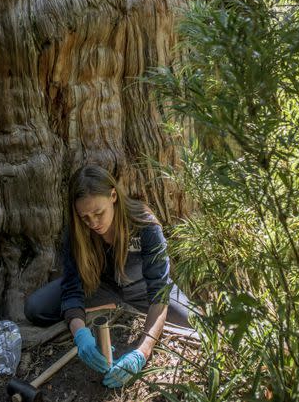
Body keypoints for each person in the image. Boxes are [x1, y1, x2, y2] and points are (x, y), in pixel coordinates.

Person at [24, 165, 192, 388]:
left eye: (98, 213)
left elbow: (159, 294)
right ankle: (111, 307)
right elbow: (72, 288)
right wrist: (80, 334)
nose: (93, 223)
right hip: (100, 288)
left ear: (113, 196)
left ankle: (127, 311)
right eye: (85, 217)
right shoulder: (76, 232)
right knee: (36, 308)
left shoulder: (145, 224)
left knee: (193, 323)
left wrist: (141, 352)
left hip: (143, 290)